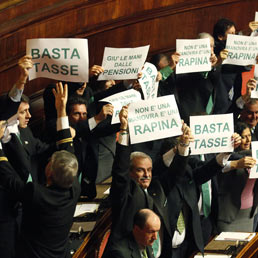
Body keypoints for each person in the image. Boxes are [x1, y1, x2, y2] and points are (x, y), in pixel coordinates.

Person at [0, 82, 81, 258]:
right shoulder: (74, 188)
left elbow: (7, 176)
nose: (28, 116)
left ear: (49, 172)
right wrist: (61, 111)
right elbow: (65, 149)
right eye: (23, 112)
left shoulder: (36, 193)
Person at [105, 105, 193, 258]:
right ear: (130, 172)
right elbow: (120, 171)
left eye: (150, 170)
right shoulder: (125, 193)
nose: (146, 174)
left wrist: (184, 145)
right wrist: (124, 131)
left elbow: (176, 173)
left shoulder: (156, 187)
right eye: (140, 170)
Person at [153, 132, 241, 258]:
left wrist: (227, 151)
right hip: (165, 250)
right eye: (178, 159)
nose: (181, 164)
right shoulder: (158, 179)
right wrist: (180, 148)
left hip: (187, 246)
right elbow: (170, 170)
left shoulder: (188, 173)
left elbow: (207, 169)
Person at [217, 121, 257, 232]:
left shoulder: (255, 155)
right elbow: (220, 170)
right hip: (230, 215)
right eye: (244, 137)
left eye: (249, 136)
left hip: (250, 213)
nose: (248, 140)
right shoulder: (227, 156)